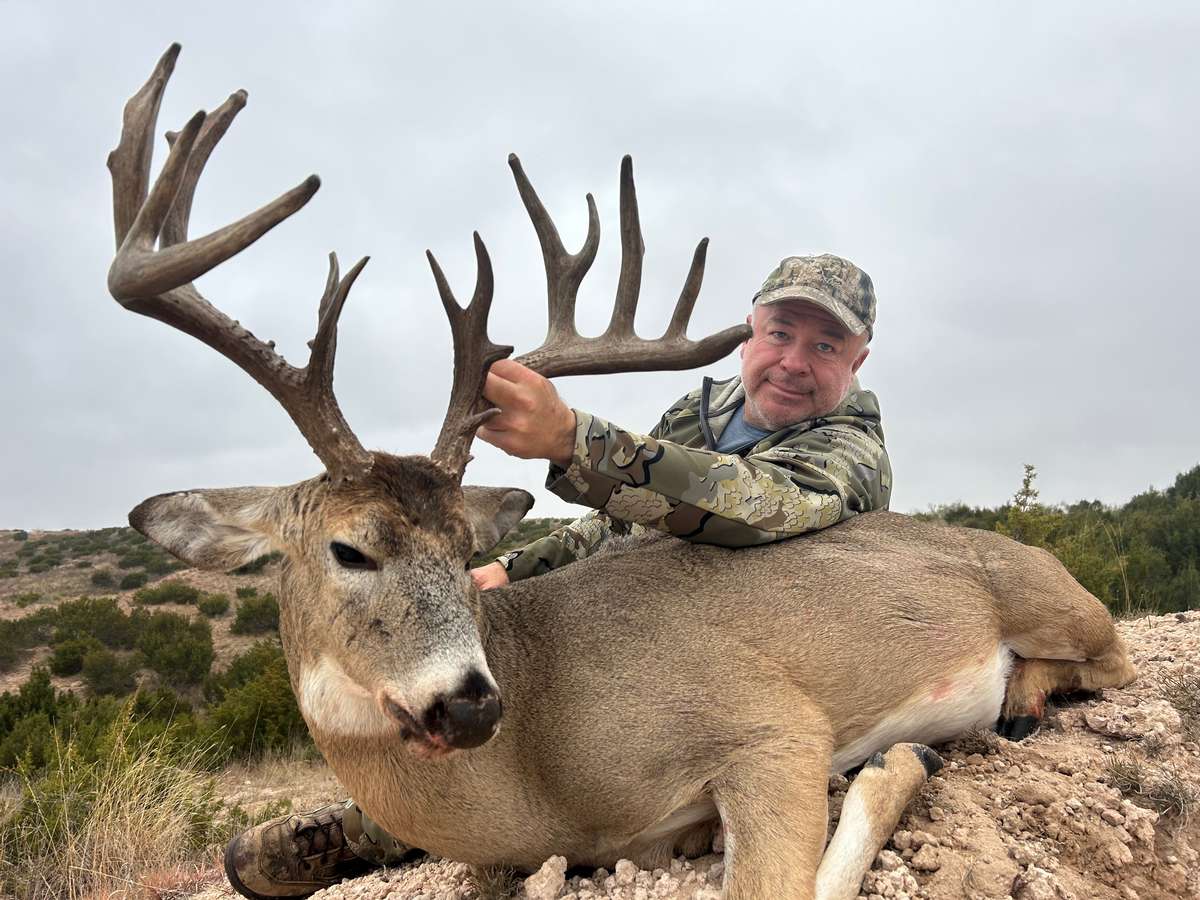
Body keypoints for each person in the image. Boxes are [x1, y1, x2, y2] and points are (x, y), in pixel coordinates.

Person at [225, 254, 891, 899]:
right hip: (662, 609)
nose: (794, 361)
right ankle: (378, 822)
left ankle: (374, 833)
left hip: (766, 640)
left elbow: (759, 508)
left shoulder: (851, 451)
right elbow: (626, 521)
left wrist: (577, 440)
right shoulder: (701, 413)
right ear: (751, 334)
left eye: (825, 346)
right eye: (780, 333)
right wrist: (507, 568)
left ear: (856, 362)